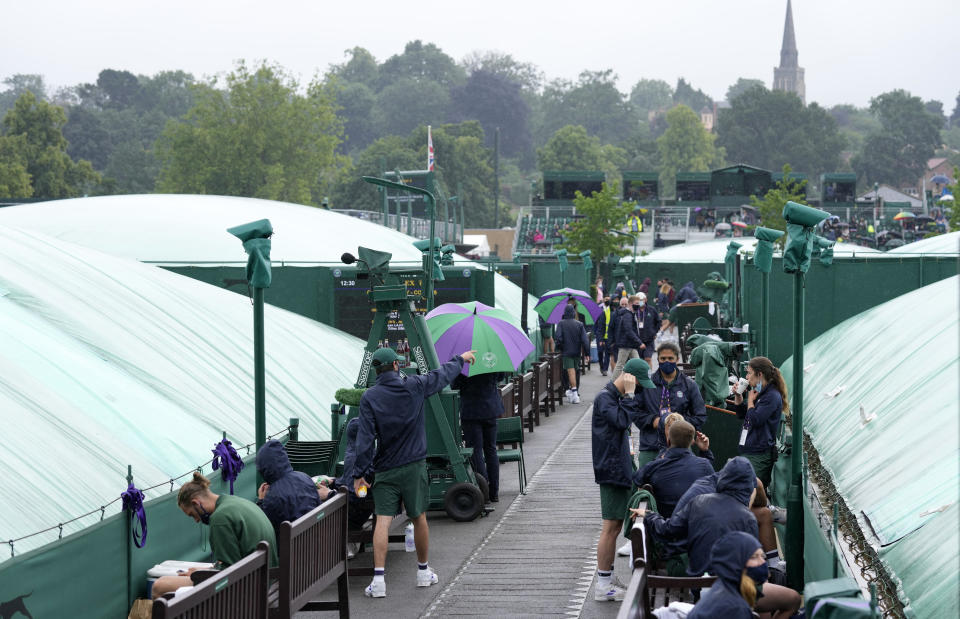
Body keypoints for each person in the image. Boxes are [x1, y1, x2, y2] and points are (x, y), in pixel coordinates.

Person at [353, 346, 477, 598]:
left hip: (386, 469)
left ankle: (378, 581)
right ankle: (422, 572)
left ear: (377, 370)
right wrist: (460, 359)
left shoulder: (369, 398)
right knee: (419, 517)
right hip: (414, 466)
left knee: (382, 521)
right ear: (397, 366)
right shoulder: (415, 385)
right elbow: (440, 375)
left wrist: (359, 474)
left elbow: (364, 442)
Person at [150, 472, 278, 598]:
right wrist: (202, 572)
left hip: (248, 590)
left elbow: (226, 574)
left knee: (160, 586)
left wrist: (200, 575)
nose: (196, 520)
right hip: (267, 581)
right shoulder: (235, 502)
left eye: (192, 514)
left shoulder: (220, 519)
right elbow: (232, 562)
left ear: (196, 503)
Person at [591, 358, 656, 602]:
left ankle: (606, 579)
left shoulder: (614, 398)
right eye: (638, 384)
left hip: (620, 467)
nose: (638, 390)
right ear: (630, 377)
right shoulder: (605, 398)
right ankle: (603, 585)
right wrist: (629, 396)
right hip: (611, 470)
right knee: (610, 527)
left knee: (616, 526)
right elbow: (620, 421)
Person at [632, 457, 758, 578]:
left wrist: (649, 515)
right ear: (747, 486)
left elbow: (668, 529)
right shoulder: (748, 518)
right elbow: (750, 563)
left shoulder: (699, 501)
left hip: (696, 580)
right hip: (727, 585)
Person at [633, 420, 714, 517]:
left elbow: (637, 479)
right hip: (695, 526)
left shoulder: (654, 467)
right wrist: (705, 451)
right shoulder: (705, 465)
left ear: (668, 440)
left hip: (664, 525)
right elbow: (710, 479)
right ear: (692, 442)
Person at [728, 356, 787, 489]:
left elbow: (755, 419)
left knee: (751, 490)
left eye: (749, 373)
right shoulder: (759, 391)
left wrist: (750, 402)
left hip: (759, 453)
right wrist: (738, 396)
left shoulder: (771, 395)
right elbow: (742, 414)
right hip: (748, 448)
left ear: (759, 374)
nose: (747, 377)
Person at [687, 532, 766, 619]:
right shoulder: (735, 608)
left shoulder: (724, 588)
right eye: (754, 557)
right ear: (735, 562)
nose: (762, 562)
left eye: (762, 556)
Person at [645, 342, 706, 455]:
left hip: (681, 445)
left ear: (677, 359)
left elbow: (700, 416)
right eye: (663, 358)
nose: (666, 361)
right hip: (650, 445)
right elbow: (636, 412)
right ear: (657, 359)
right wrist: (653, 421)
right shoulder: (647, 384)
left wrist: (678, 423)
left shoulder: (689, 385)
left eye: (670, 358)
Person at [452, 371, 503, 503]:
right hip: (491, 408)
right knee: (491, 450)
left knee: (476, 451)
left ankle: (483, 491)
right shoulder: (492, 355)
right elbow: (501, 376)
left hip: (471, 410)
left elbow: (454, 384)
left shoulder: (465, 362)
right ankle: (494, 492)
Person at [254, 439, 321, 530]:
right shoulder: (305, 477)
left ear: (263, 468)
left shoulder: (272, 496)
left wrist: (261, 501)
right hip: (317, 536)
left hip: (293, 543)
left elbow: (263, 526)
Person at [555, 304, 589, 403]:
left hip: (566, 352)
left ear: (564, 313)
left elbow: (558, 338)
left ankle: (574, 393)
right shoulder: (580, 324)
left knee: (570, 371)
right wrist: (587, 354)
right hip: (577, 353)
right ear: (574, 313)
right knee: (576, 371)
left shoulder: (561, 323)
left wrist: (560, 348)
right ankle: (573, 391)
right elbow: (585, 340)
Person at [612, 295, 644, 379]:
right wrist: (639, 342)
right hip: (626, 344)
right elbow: (628, 330)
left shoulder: (631, 314)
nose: (638, 305)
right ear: (630, 304)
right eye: (636, 303)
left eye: (638, 303)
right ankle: (612, 385)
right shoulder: (628, 315)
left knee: (637, 363)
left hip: (630, 344)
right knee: (620, 365)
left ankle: (641, 382)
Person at [634, 294, 661, 365]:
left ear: (645, 299)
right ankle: (641, 375)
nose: (640, 302)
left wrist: (654, 332)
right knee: (639, 360)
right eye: (638, 300)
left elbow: (658, 321)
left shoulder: (651, 310)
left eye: (641, 300)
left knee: (648, 358)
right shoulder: (634, 311)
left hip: (649, 339)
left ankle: (649, 375)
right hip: (638, 340)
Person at [593, 296, 613, 377]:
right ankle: (601, 366)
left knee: (607, 353)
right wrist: (597, 334)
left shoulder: (611, 309)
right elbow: (596, 322)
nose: (607, 300)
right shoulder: (599, 308)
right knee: (600, 352)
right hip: (600, 334)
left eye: (609, 299)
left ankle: (605, 369)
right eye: (606, 299)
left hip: (608, 336)